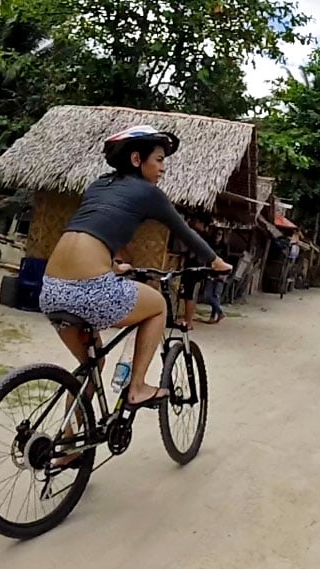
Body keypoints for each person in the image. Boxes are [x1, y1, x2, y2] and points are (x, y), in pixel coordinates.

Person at [39, 124, 232, 411]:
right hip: (89, 289)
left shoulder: (97, 185)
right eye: (159, 159)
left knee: (93, 365)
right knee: (157, 306)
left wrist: (113, 267)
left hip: (52, 290)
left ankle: (67, 447)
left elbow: (96, 229)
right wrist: (217, 263)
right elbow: (185, 233)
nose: (163, 168)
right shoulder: (148, 193)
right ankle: (138, 387)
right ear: (136, 160)